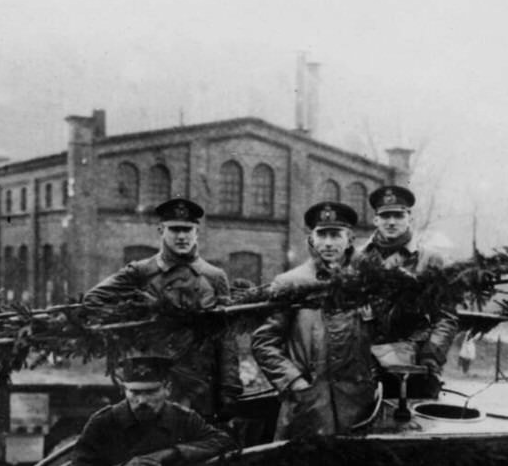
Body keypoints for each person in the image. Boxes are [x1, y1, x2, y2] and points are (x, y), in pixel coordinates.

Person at [82, 197, 243, 420]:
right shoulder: (141, 272)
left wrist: (230, 387)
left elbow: (227, 338)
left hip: (201, 385)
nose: (182, 236)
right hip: (151, 383)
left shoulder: (214, 277)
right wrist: (134, 325)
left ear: (197, 232)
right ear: (161, 230)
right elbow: (94, 300)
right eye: (174, 229)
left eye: (188, 229)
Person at [251, 201, 378, 439]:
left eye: (335, 234)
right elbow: (263, 342)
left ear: (350, 239)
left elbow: (380, 334)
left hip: (357, 404)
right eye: (322, 235)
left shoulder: (365, 282)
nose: (328, 243)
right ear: (311, 239)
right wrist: (294, 382)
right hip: (308, 402)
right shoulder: (291, 282)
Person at [67, 354, 234, 466]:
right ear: (124, 390)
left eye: (151, 392)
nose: (142, 401)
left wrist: (172, 453)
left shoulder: (183, 418)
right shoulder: (104, 422)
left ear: (167, 389)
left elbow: (223, 442)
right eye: (135, 392)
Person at [357, 184, 458, 399]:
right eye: (385, 216)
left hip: (415, 363)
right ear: (375, 220)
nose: (391, 222)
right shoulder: (357, 259)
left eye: (398, 215)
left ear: (409, 218)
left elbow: (446, 318)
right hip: (364, 364)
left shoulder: (431, 260)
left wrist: (431, 356)